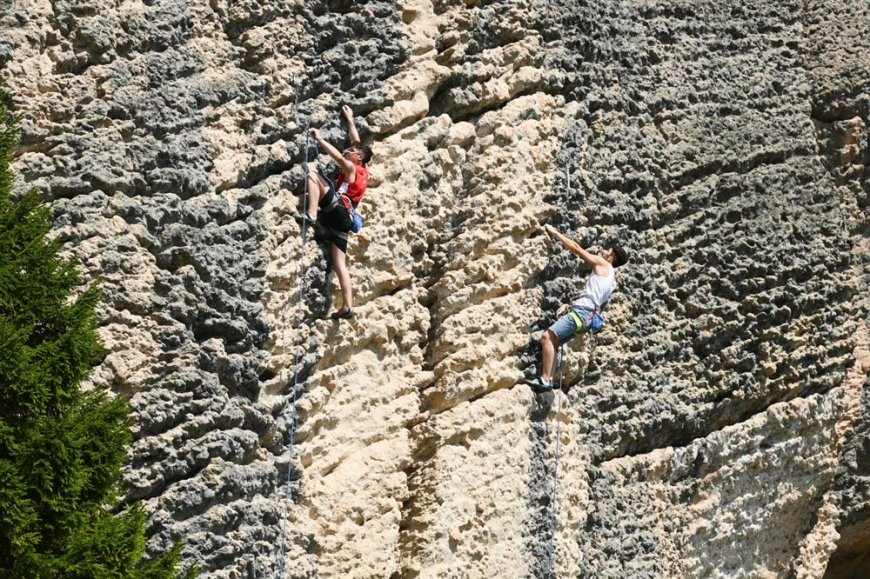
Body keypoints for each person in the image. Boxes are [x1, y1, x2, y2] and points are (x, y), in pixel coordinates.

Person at [527, 223, 629, 391]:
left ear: (610, 257)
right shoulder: (612, 280)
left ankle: (545, 379)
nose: (602, 251)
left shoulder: (603, 264)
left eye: (606, 251)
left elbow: (576, 249)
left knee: (547, 337)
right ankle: (549, 380)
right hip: (587, 319)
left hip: (582, 313)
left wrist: (556, 234)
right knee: (555, 341)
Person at [296, 105, 372, 319]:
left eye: (352, 152)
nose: (348, 150)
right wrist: (350, 119)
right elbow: (355, 141)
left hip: (338, 209)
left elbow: (340, 158)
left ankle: (310, 215)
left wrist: (319, 139)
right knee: (340, 263)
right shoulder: (364, 169)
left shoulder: (350, 167)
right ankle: (348, 306)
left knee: (312, 175)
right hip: (345, 220)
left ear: (358, 158)